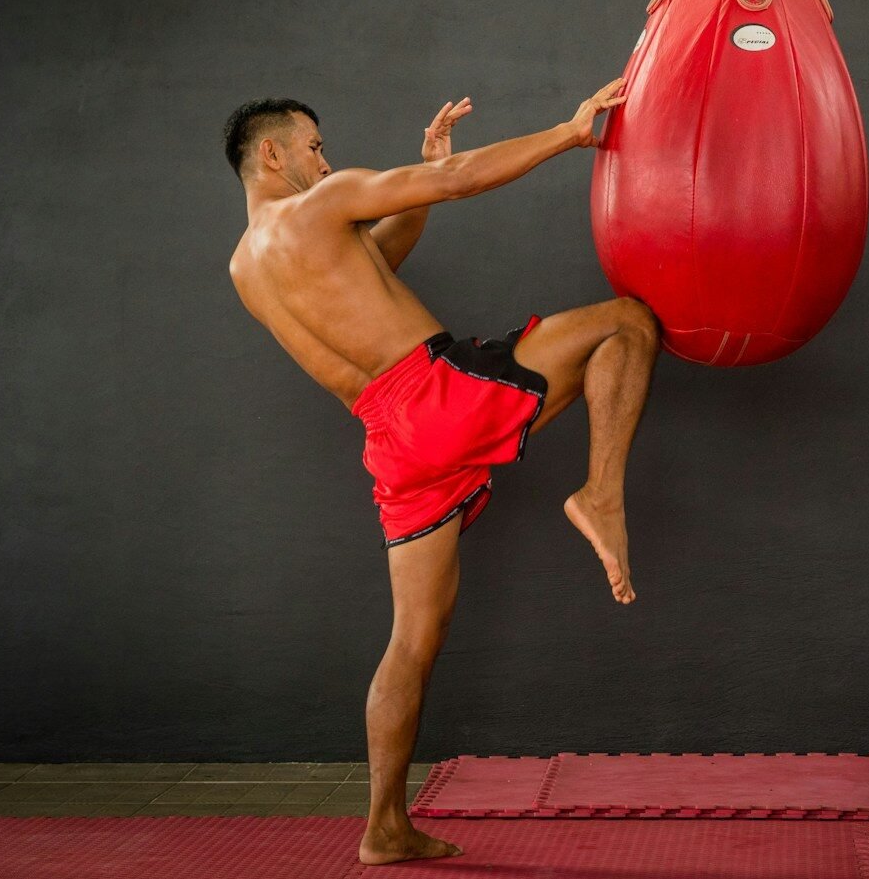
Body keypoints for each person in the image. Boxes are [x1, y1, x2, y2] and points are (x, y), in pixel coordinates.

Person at [222, 78, 659, 864]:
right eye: (315, 146)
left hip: (393, 445)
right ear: (271, 151)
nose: (327, 161)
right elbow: (458, 187)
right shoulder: (323, 203)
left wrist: (424, 170)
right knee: (628, 322)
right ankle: (599, 494)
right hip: (437, 394)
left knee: (413, 639)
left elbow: (371, 269)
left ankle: (384, 826)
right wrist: (568, 132)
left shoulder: (247, 268)